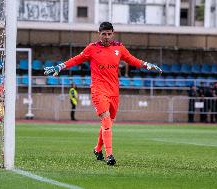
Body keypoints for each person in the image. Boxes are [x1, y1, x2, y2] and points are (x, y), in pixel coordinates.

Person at [44, 22, 162, 166]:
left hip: (114, 91)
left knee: (108, 123)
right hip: (98, 90)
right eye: (103, 34)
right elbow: (76, 59)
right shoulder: (92, 48)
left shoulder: (119, 48)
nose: (106, 37)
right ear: (99, 34)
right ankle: (110, 155)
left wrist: (148, 65)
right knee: (106, 121)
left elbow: (132, 60)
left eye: (109, 34)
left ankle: (97, 149)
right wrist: (60, 66)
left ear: (113, 33)